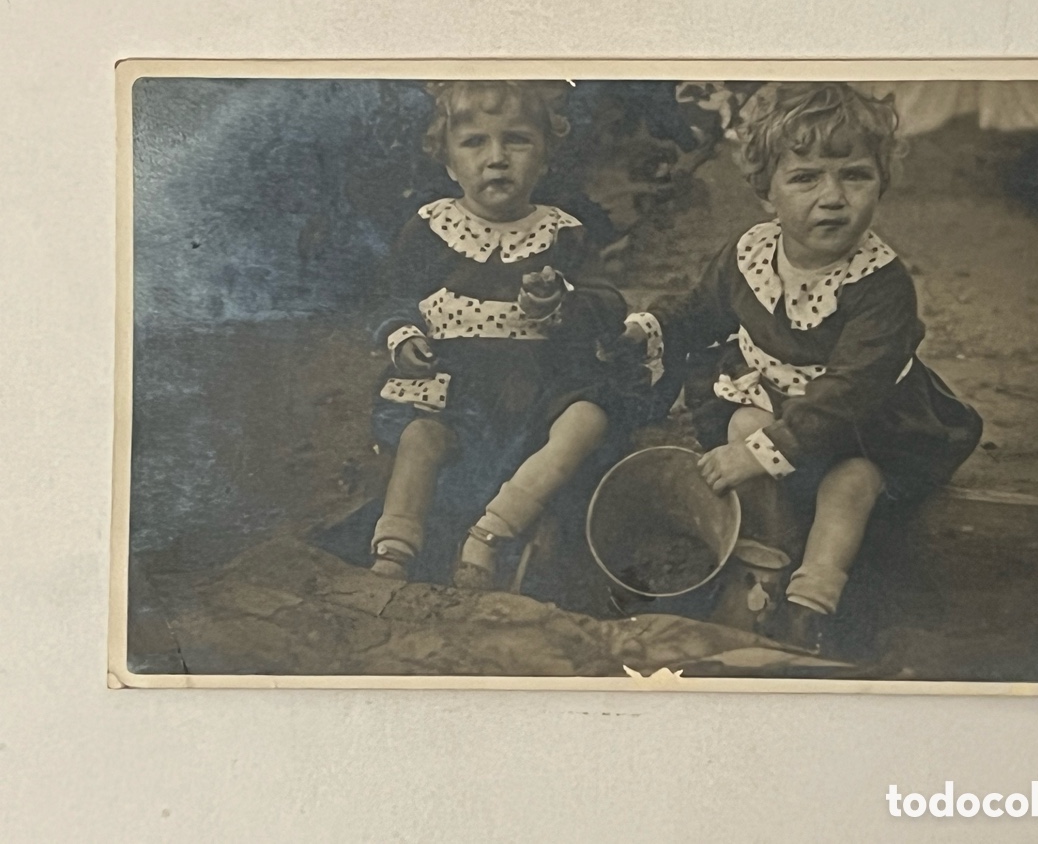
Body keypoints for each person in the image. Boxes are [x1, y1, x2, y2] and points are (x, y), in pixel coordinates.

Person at [626, 82, 983, 651]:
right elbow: (700, 310)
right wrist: (649, 327)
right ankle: (762, 567)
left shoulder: (879, 286)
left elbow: (850, 392)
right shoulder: (750, 253)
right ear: (767, 192)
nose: (833, 197)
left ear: (881, 183)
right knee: (744, 424)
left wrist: (759, 455)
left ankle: (810, 605)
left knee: (851, 482)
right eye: (805, 177)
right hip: (778, 412)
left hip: (865, 426)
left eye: (855, 175)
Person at [369, 80, 630, 590]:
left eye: (516, 140)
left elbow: (607, 303)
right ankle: (393, 553)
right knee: (420, 437)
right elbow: (392, 297)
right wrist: (403, 337)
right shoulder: (430, 229)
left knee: (587, 419)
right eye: (474, 143)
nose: (496, 158)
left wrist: (562, 300)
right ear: (447, 162)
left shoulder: (562, 233)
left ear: (546, 157)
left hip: (536, 388)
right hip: (452, 386)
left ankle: (491, 533)